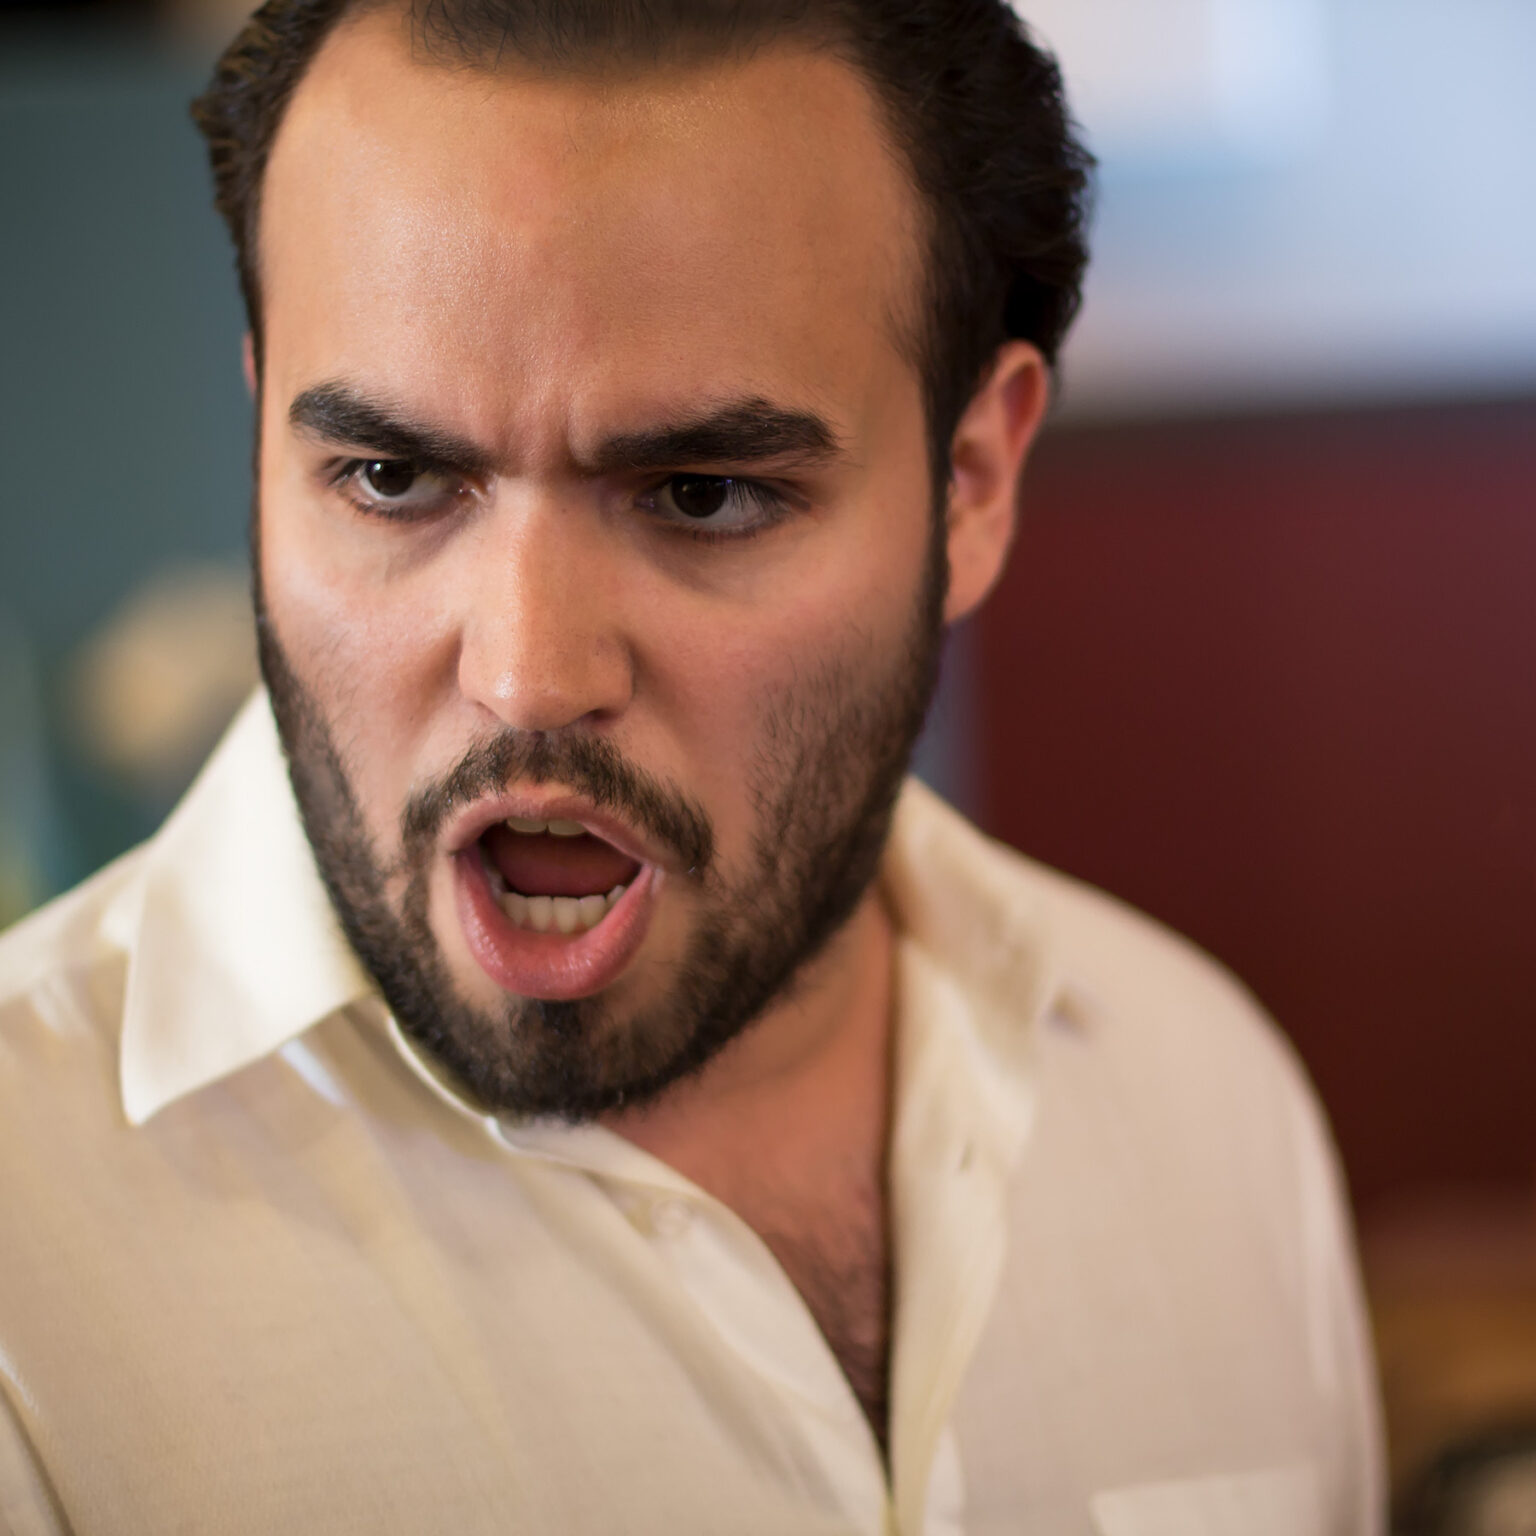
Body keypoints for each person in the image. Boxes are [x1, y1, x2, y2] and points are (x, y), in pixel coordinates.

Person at [0, 1, 1384, 1530]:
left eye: (705, 495)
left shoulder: (1204, 1100)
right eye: (393, 479)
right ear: (264, 440)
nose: (526, 673)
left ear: (972, 483)